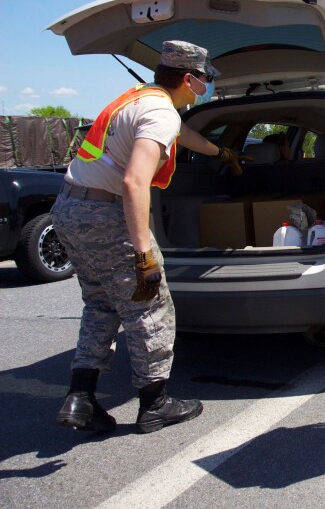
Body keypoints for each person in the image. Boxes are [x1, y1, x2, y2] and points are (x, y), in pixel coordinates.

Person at [52, 40, 250, 434]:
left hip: (70, 209)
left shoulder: (140, 98)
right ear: (190, 79)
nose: (208, 85)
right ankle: (155, 403)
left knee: (101, 304)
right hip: (106, 216)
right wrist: (143, 255)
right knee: (149, 307)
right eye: (207, 79)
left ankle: (81, 397)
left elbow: (183, 134)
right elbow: (135, 181)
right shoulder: (161, 113)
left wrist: (218, 151)